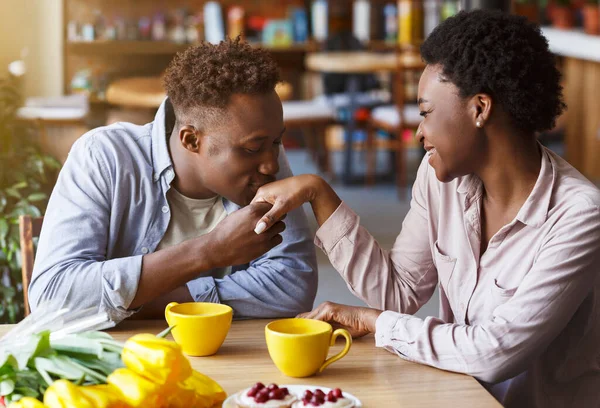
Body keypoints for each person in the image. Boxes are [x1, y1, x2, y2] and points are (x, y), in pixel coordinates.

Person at [251, 10, 600, 408]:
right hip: (458, 396)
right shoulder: (439, 181)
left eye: (425, 112)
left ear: (480, 108)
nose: (419, 132)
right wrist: (320, 194)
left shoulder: (578, 215)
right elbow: (398, 293)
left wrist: (374, 322)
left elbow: (496, 352)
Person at [29, 39, 317, 323]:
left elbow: (292, 286)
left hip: (222, 360)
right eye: (252, 149)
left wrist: (130, 304)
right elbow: (52, 296)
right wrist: (208, 251)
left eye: (277, 142)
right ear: (191, 140)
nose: (272, 164)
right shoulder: (104, 157)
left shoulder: (262, 162)